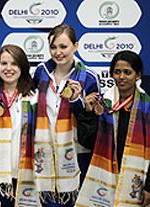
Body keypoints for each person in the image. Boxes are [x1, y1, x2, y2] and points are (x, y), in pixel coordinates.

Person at [76, 50, 150, 206]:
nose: (122, 77)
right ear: (111, 75)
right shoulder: (102, 105)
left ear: (138, 75)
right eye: (117, 72)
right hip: (105, 178)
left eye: (127, 72)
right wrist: (87, 114)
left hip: (137, 180)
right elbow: (87, 141)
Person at [33, 23, 100, 206]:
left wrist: (77, 100)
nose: (58, 52)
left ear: (75, 46)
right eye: (53, 47)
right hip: (45, 152)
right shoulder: (41, 72)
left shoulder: (89, 77)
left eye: (63, 46)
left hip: (76, 153)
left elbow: (92, 120)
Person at [0, 44, 39, 206]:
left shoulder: (34, 96)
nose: (8, 68)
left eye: (14, 63)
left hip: (28, 173)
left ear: (22, 67)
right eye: (4, 63)